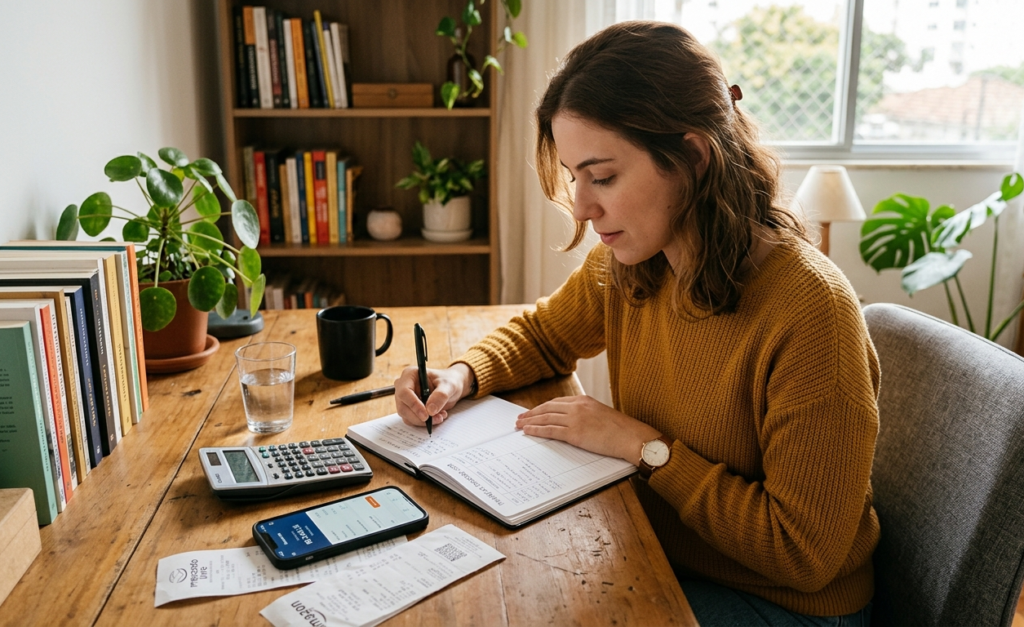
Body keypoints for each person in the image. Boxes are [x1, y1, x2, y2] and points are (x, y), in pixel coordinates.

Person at [394, 21, 879, 627]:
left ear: (693, 157)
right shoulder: (635, 262)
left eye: (603, 177)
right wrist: (460, 377)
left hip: (789, 607)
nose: (581, 206)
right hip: (665, 558)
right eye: (576, 177)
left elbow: (803, 554)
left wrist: (642, 447)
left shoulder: (810, 313)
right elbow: (546, 336)